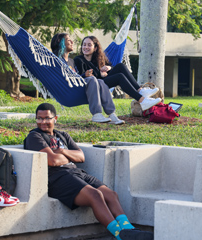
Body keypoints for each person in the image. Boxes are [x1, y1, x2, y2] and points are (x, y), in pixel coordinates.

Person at [24, 103, 153, 240]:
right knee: (96, 195)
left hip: (76, 173)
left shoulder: (62, 135)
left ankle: (129, 229)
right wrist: (69, 157)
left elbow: (81, 157)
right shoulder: (35, 136)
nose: (43, 122)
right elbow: (53, 161)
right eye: (39, 118)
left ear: (55, 118)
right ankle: (120, 235)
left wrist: (62, 151)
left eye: (47, 118)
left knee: (111, 195)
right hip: (57, 178)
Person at [50, 33, 124, 124]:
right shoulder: (56, 61)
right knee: (92, 79)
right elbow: (63, 79)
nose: (72, 42)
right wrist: (85, 76)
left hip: (79, 88)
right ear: (61, 43)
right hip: (68, 91)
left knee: (100, 81)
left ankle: (111, 114)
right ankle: (96, 114)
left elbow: (77, 78)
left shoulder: (71, 61)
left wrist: (85, 75)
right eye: (68, 40)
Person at [74, 36, 162, 111]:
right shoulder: (79, 59)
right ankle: (142, 101)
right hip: (93, 86)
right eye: (84, 45)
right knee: (119, 77)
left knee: (120, 66)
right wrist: (100, 74)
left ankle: (140, 90)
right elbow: (84, 77)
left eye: (89, 45)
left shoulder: (97, 59)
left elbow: (109, 69)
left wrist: (109, 68)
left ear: (95, 48)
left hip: (101, 81)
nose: (86, 47)